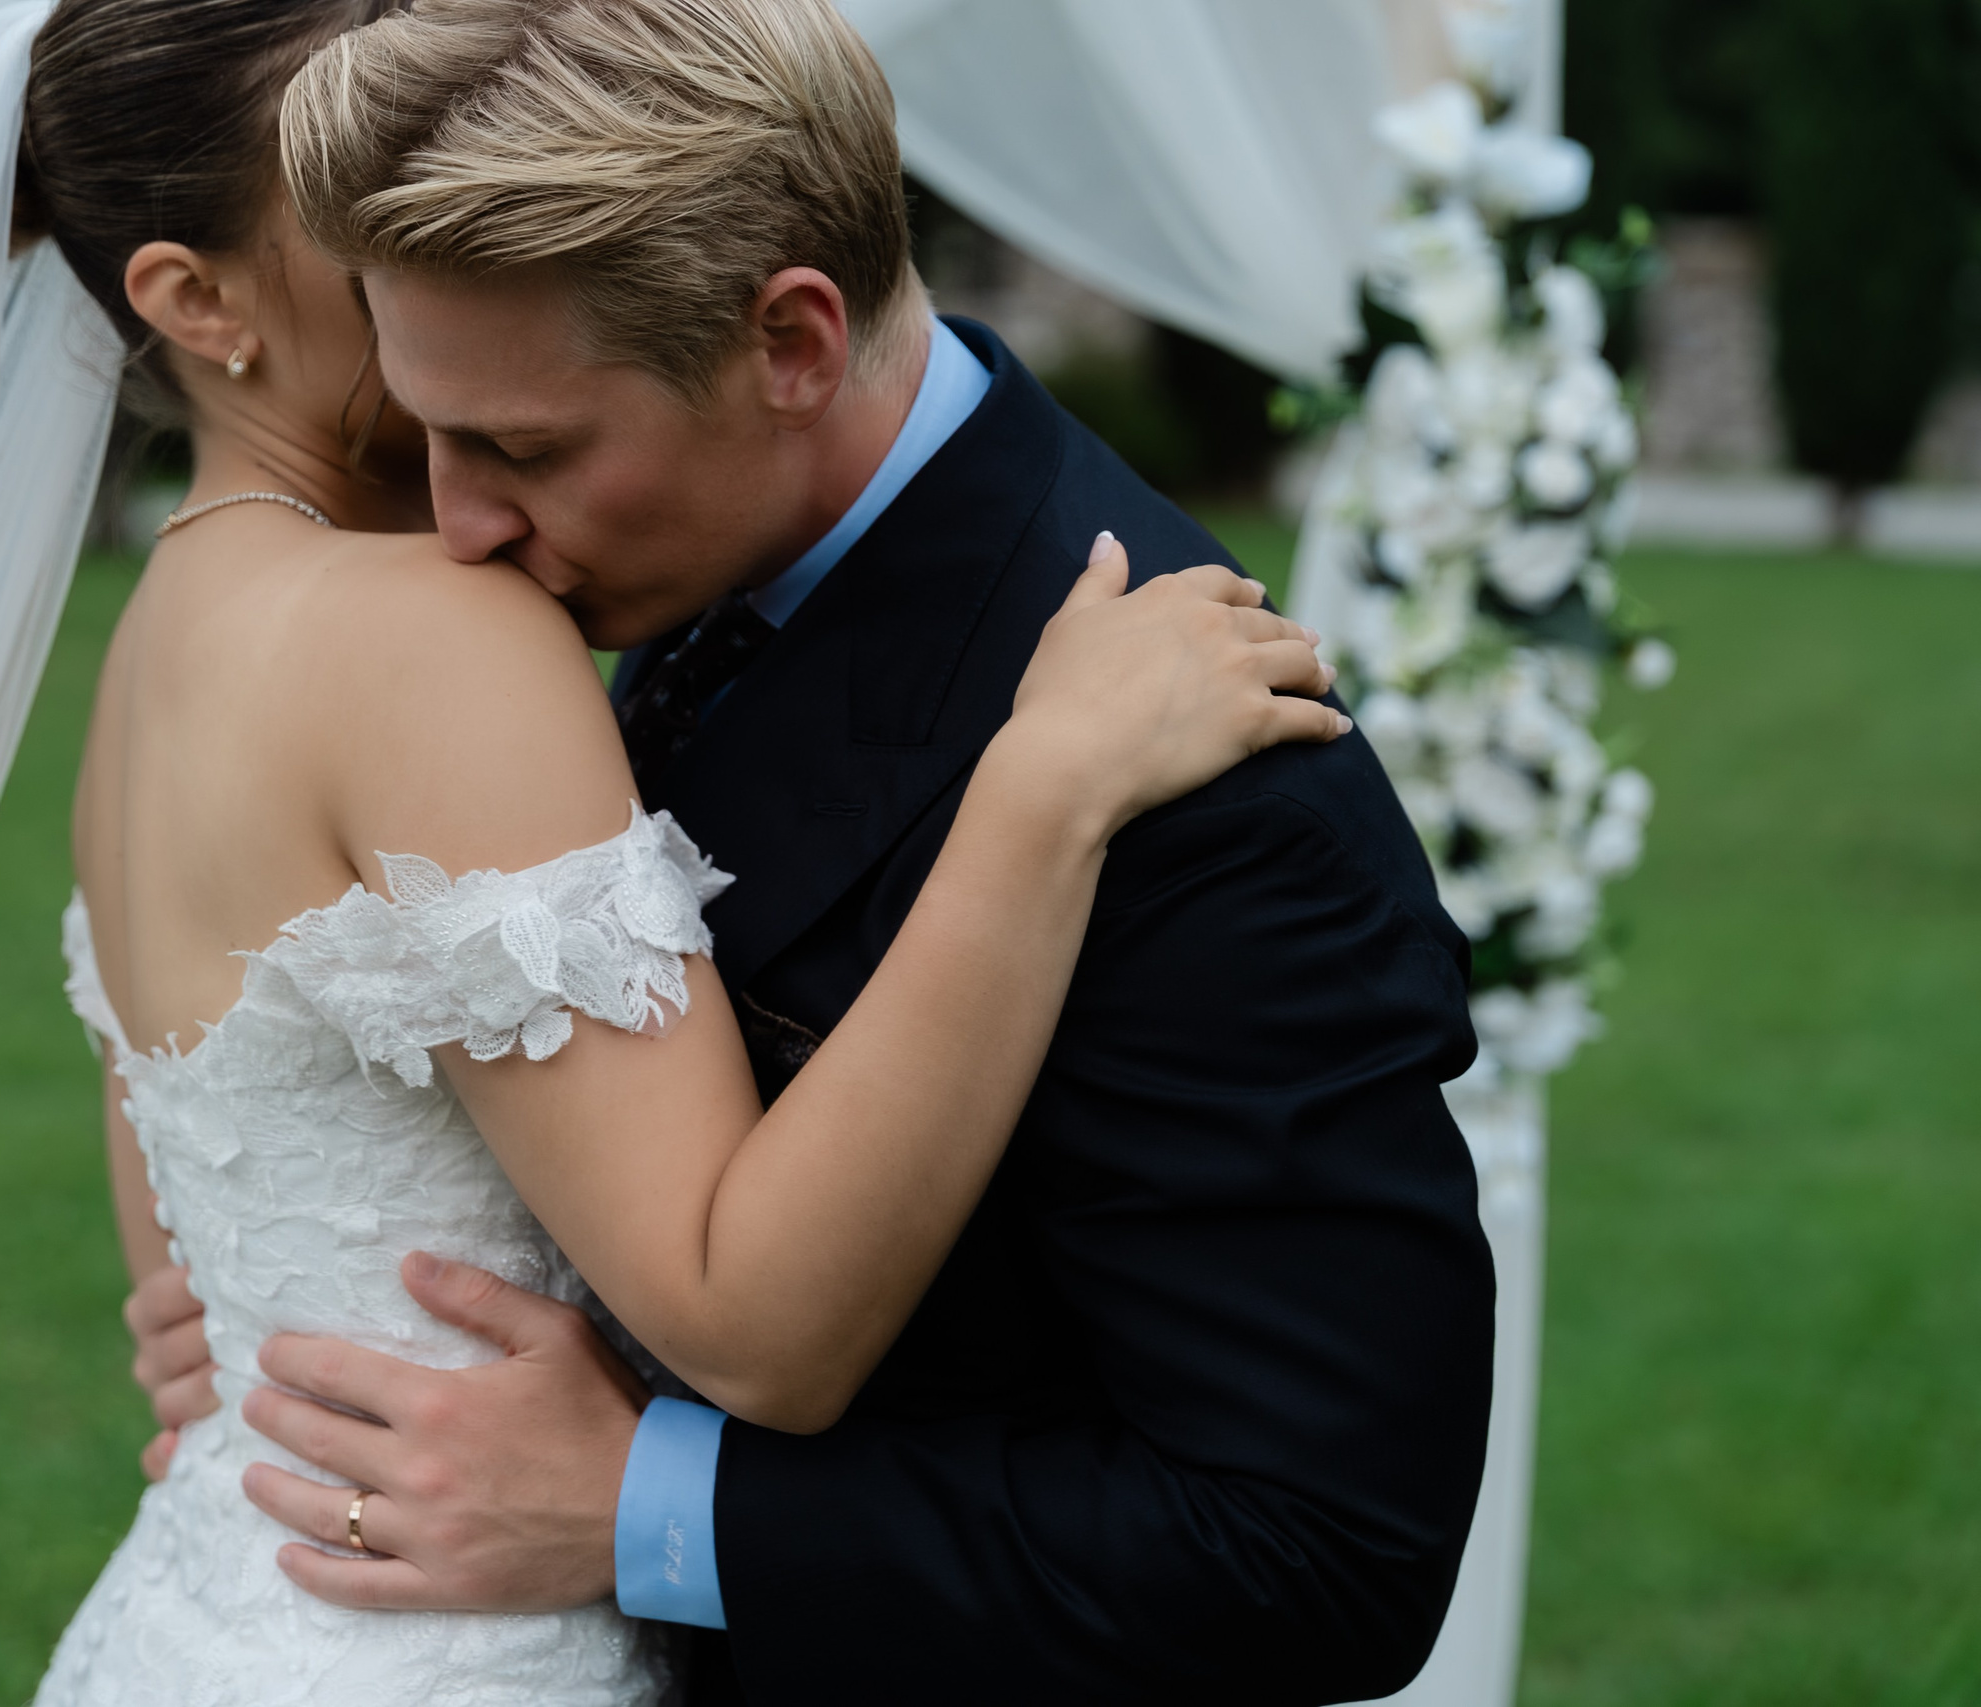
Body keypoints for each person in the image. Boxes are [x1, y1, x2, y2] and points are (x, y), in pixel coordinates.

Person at [115, 1, 1498, 1702]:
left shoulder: (1203, 797)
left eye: (526, 449)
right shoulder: (686, 560)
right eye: (429, 431)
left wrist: (649, 1507)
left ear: (789, 342)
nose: (458, 522)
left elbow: (1321, 1553)